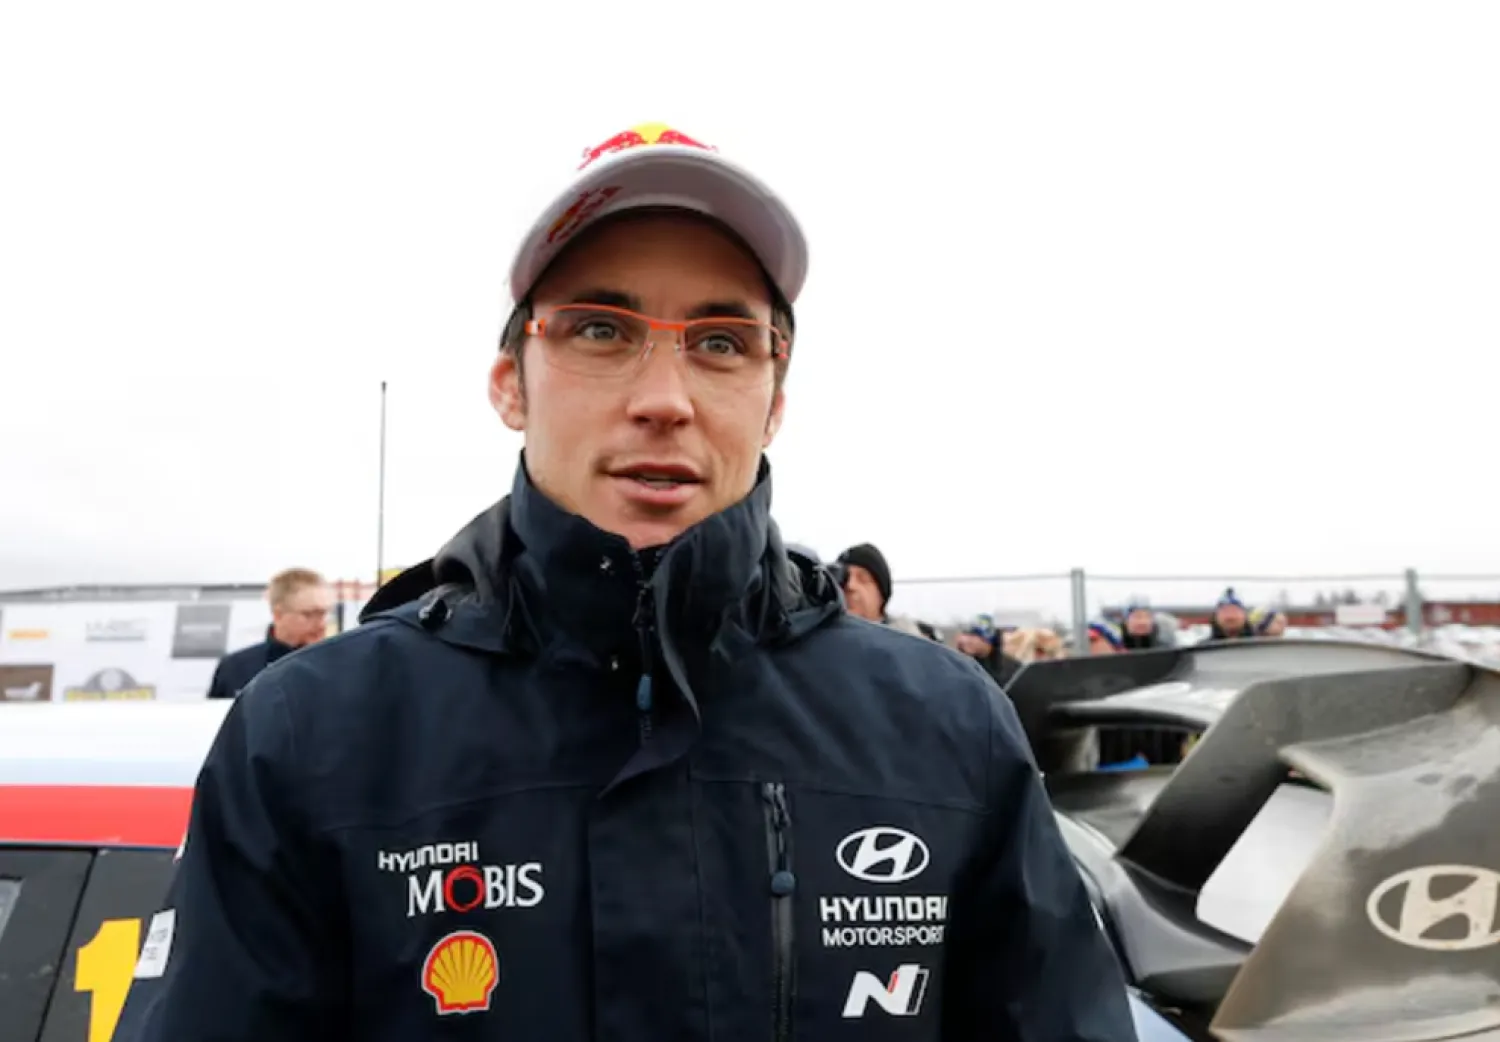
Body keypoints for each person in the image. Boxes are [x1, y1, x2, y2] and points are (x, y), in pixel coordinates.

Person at [115, 122, 1135, 1042]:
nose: (664, 399)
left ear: (775, 399)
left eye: (723, 343)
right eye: (601, 330)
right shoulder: (311, 734)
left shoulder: (943, 726)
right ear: (511, 381)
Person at [205, 567, 331, 699]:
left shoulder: (339, 666)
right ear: (278, 614)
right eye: (309, 614)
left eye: (325, 613)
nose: (322, 624)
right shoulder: (236, 668)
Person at [833, 541, 942, 640]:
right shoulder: (821, 641)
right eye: (844, 579)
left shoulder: (910, 642)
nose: (850, 586)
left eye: (863, 579)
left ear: (881, 595)